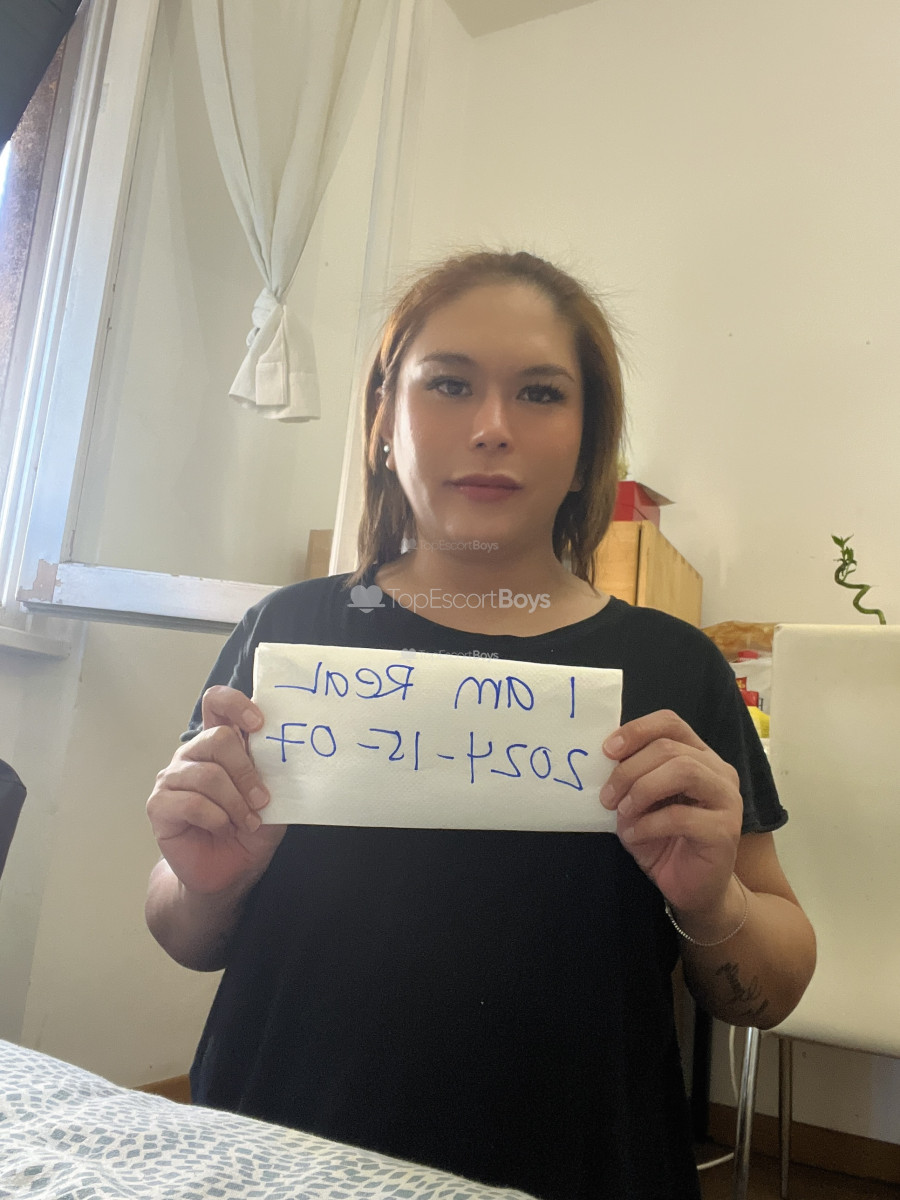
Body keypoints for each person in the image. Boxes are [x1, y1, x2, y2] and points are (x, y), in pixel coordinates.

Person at [145, 250, 815, 1200]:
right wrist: (204, 881)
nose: (492, 427)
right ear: (385, 422)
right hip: (282, 1153)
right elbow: (185, 932)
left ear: (588, 443)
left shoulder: (674, 669)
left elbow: (775, 985)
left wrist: (713, 906)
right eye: (450, 384)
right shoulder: (286, 634)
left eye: (540, 393)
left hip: (581, 1162)